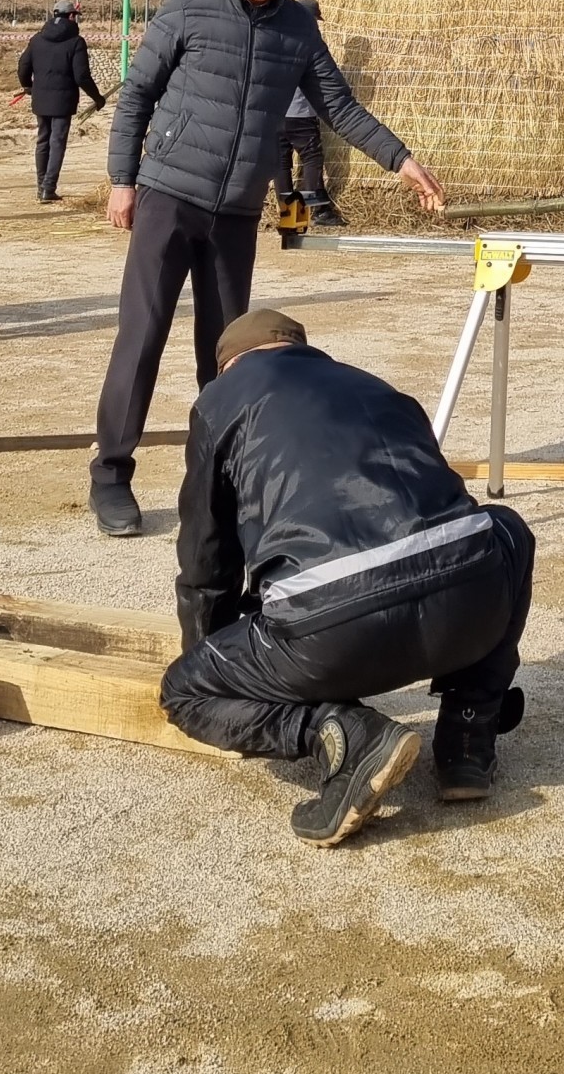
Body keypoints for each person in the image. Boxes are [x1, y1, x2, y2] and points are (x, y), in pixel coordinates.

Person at [92, 0, 445, 540]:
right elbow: (138, 92)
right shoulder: (189, 6)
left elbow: (338, 105)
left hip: (235, 212)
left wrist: (401, 159)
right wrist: (123, 180)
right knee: (141, 337)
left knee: (231, 354)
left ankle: (219, 482)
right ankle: (112, 474)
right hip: (168, 196)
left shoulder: (298, 30)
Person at [159, 307, 535, 845]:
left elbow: (206, 557)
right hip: (468, 606)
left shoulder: (220, 401)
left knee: (181, 693)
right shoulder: (375, 386)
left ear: (229, 366)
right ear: (302, 350)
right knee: (506, 528)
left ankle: (342, 735)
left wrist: (214, 664)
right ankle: (468, 737)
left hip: (334, 632)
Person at [14, 0, 105, 202]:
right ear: (71, 16)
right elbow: (82, 76)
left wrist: (28, 86)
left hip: (40, 98)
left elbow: (23, 67)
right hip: (64, 100)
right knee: (57, 142)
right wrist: (97, 98)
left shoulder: (37, 39)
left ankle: (41, 187)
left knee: (43, 140)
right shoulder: (76, 42)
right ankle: (48, 188)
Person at [275, 0, 342, 228]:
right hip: (301, 113)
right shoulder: (309, 42)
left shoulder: (277, 39)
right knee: (312, 160)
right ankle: (313, 212)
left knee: (281, 164)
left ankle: (290, 219)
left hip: (275, 112)